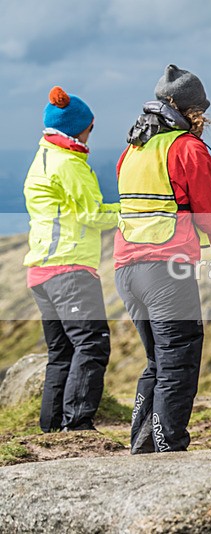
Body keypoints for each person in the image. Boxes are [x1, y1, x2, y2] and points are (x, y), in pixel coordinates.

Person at [115, 65, 211, 453]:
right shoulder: (185, 147)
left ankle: (142, 445)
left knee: (157, 361)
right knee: (179, 358)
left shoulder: (132, 150)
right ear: (190, 111)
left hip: (126, 271)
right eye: (202, 113)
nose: (204, 121)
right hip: (164, 270)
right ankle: (169, 448)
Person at [24, 86, 120, 433]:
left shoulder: (44, 157)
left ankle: (52, 429)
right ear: (78, 128)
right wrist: (133, 212)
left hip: (41, 272)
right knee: (91, 344)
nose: (91, 133)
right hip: (69, 270)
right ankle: (77, 426)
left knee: (61, 351)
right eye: (90, 127)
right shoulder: (69, 165)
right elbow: (94, 214)